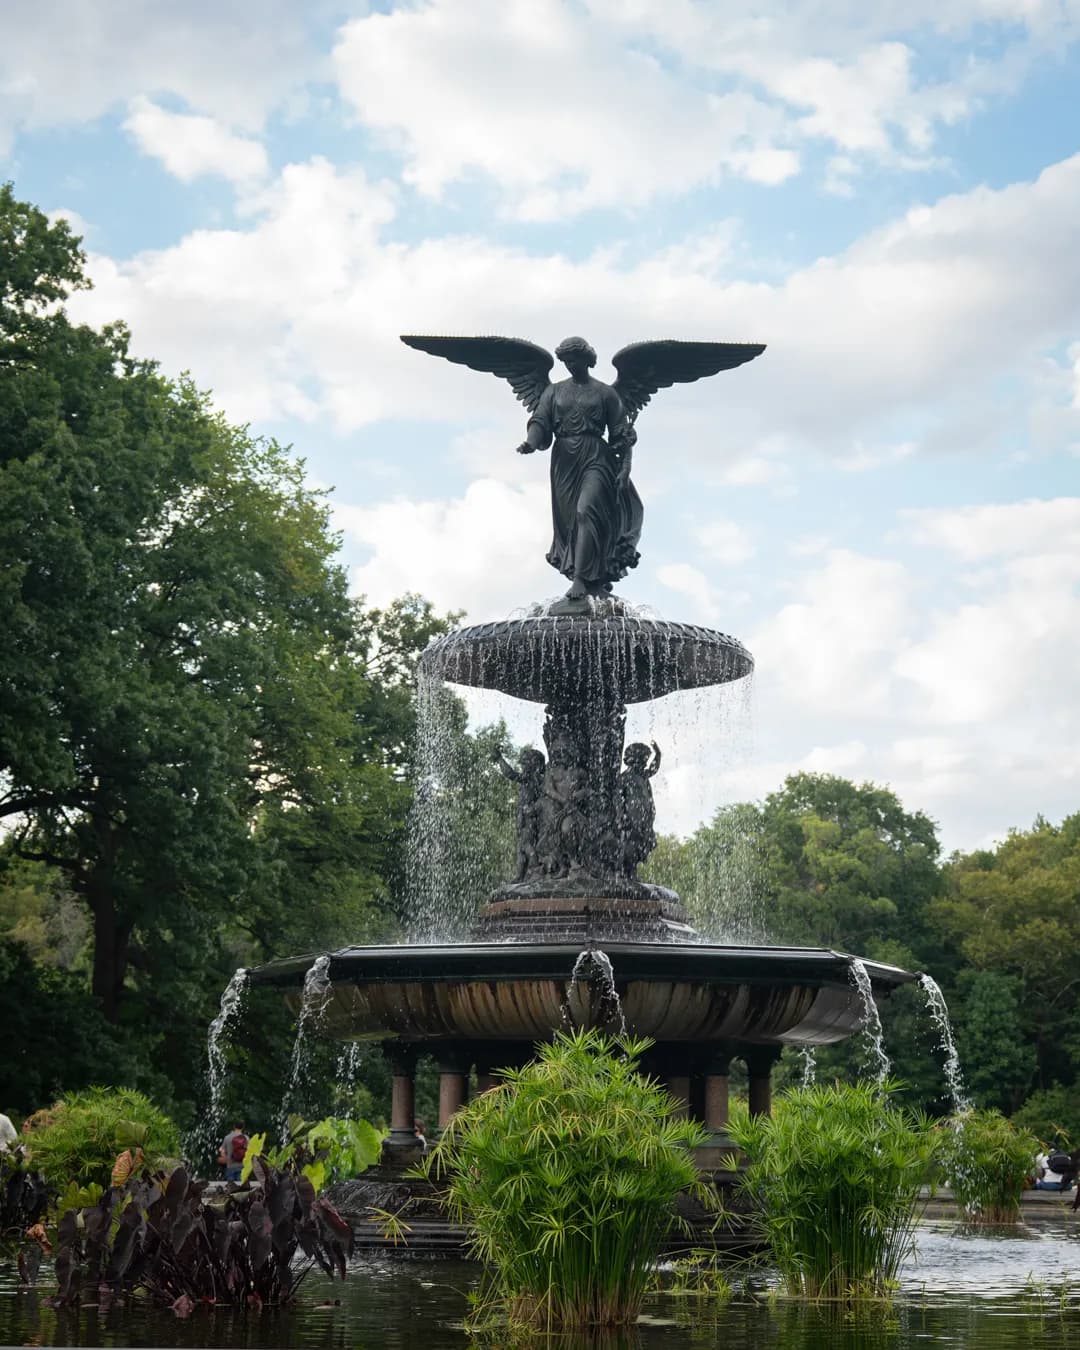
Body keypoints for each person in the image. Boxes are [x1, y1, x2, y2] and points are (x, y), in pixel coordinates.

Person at [518, 336, 642, 604]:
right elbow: (540, 420)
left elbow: (621, 432)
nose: (569, 365)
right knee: (570, 521)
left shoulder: (605, 393)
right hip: (564, 460)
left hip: (596, 456)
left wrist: (626, 468)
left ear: (586, 359)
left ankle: (581, 580)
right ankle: (592, 577)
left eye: (573, 359)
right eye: (565, 361)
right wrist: (530, 441)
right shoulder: (554, 391)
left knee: (586, 511)